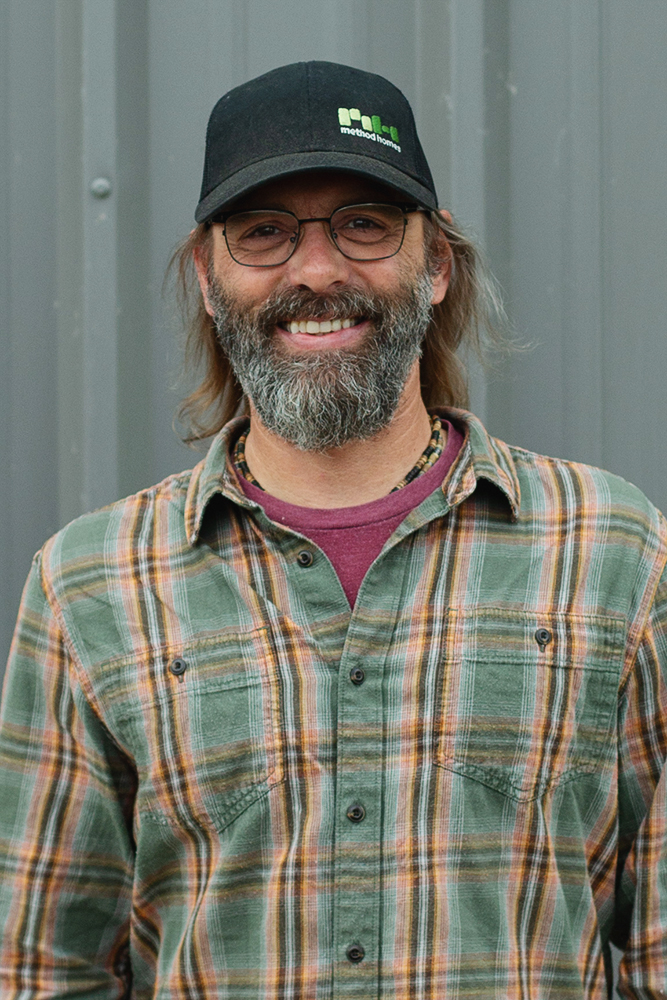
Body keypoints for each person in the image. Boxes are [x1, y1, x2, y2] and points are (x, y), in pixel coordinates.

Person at [0, 60, 666, 1000]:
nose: (316, 270)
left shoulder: (613, 553)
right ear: (206, 274)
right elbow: (41, 969)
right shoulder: (91, 587)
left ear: (434, 264)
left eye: (363, 224)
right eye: (263, 232)